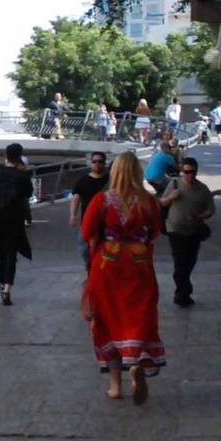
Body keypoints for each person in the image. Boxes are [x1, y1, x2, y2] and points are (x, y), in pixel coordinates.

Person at [81, 152, 166, 404]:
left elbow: (87, 232)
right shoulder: (149, 202)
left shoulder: (102, 200)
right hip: (139, 266)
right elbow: (155, 233)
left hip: (107, 267)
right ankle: (136, 364)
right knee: (138, 316)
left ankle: (115, 386)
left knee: (106, 319)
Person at [159, 156, 215, 306]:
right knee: (180, 263)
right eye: (186, 172)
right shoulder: (174, 184)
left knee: (190, 262)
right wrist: (171, 197)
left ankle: (184, 289)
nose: (189, 175)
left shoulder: (203, 189)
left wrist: (204, 215)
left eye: (193, 172)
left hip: (194, 230)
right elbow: (161, 202)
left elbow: (211, 209)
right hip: (175, 229)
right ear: (182, 172)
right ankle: (182, 293)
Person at [0, 141, 34, 306]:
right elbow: (28, 194)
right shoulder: (23, 176)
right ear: (19, 157)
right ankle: (7, 289)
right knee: (11, 255)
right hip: (16, 219)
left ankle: (1, 284)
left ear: (5, 156)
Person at [68, 151, 108, 266]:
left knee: (104, 247)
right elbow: (76, 198)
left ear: (104, 163)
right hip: (87, 219)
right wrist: (73, 216)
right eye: (94, 161)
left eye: (100, 162)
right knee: (83, 247)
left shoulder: (109, 180)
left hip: (106, 220)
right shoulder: (83, 180)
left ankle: (99, 268)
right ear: (91, 163)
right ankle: (89, 267)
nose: (97, 164)